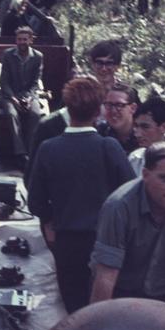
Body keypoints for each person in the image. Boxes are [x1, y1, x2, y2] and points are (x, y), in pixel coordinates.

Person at [28, 77, 134, 313]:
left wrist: (49, 220)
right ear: (99, 111)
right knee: (103, 310)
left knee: (73, 309)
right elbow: (130, 194)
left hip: (66, 242)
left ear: (67, 108)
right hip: (107, 242)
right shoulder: (109, 147)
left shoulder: (49, 148)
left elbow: (35, 201)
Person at [89, 141, 165, 325]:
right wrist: (97, 329)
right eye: (164, 178)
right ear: (146, 175)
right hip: (120, 296)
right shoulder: (119, 206)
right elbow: (106, 276)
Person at [0, 26, 45, 167]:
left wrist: (30, 98)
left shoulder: (38, 57)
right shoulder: (8, 54)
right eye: (19, 39)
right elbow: (4, 81)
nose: (22, 42)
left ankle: (31, 152)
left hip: (28, 95)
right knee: (12, 114)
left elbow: (36, 82)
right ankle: (21, 154)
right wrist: (13, 98)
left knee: (35, 114)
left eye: (25, 39)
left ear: (31, 40)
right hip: (9, 95)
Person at [97, 83, 140, 153]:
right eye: (109, 105)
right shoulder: (100, 133)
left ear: (133, 108)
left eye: (119, 105)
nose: (113, 110)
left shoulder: (142, 136)